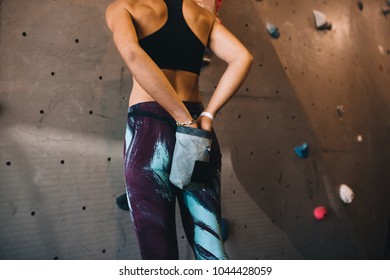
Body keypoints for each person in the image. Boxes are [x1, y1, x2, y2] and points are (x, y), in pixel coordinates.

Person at [105, 0, 253, 260]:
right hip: (198, 129)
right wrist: (206, 115)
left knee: (157, 252)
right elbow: (243, 57)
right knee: (210, 247)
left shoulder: (124, 7)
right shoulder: (202, 15)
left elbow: (132, 54)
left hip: (149, 129)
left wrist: (181, 117)